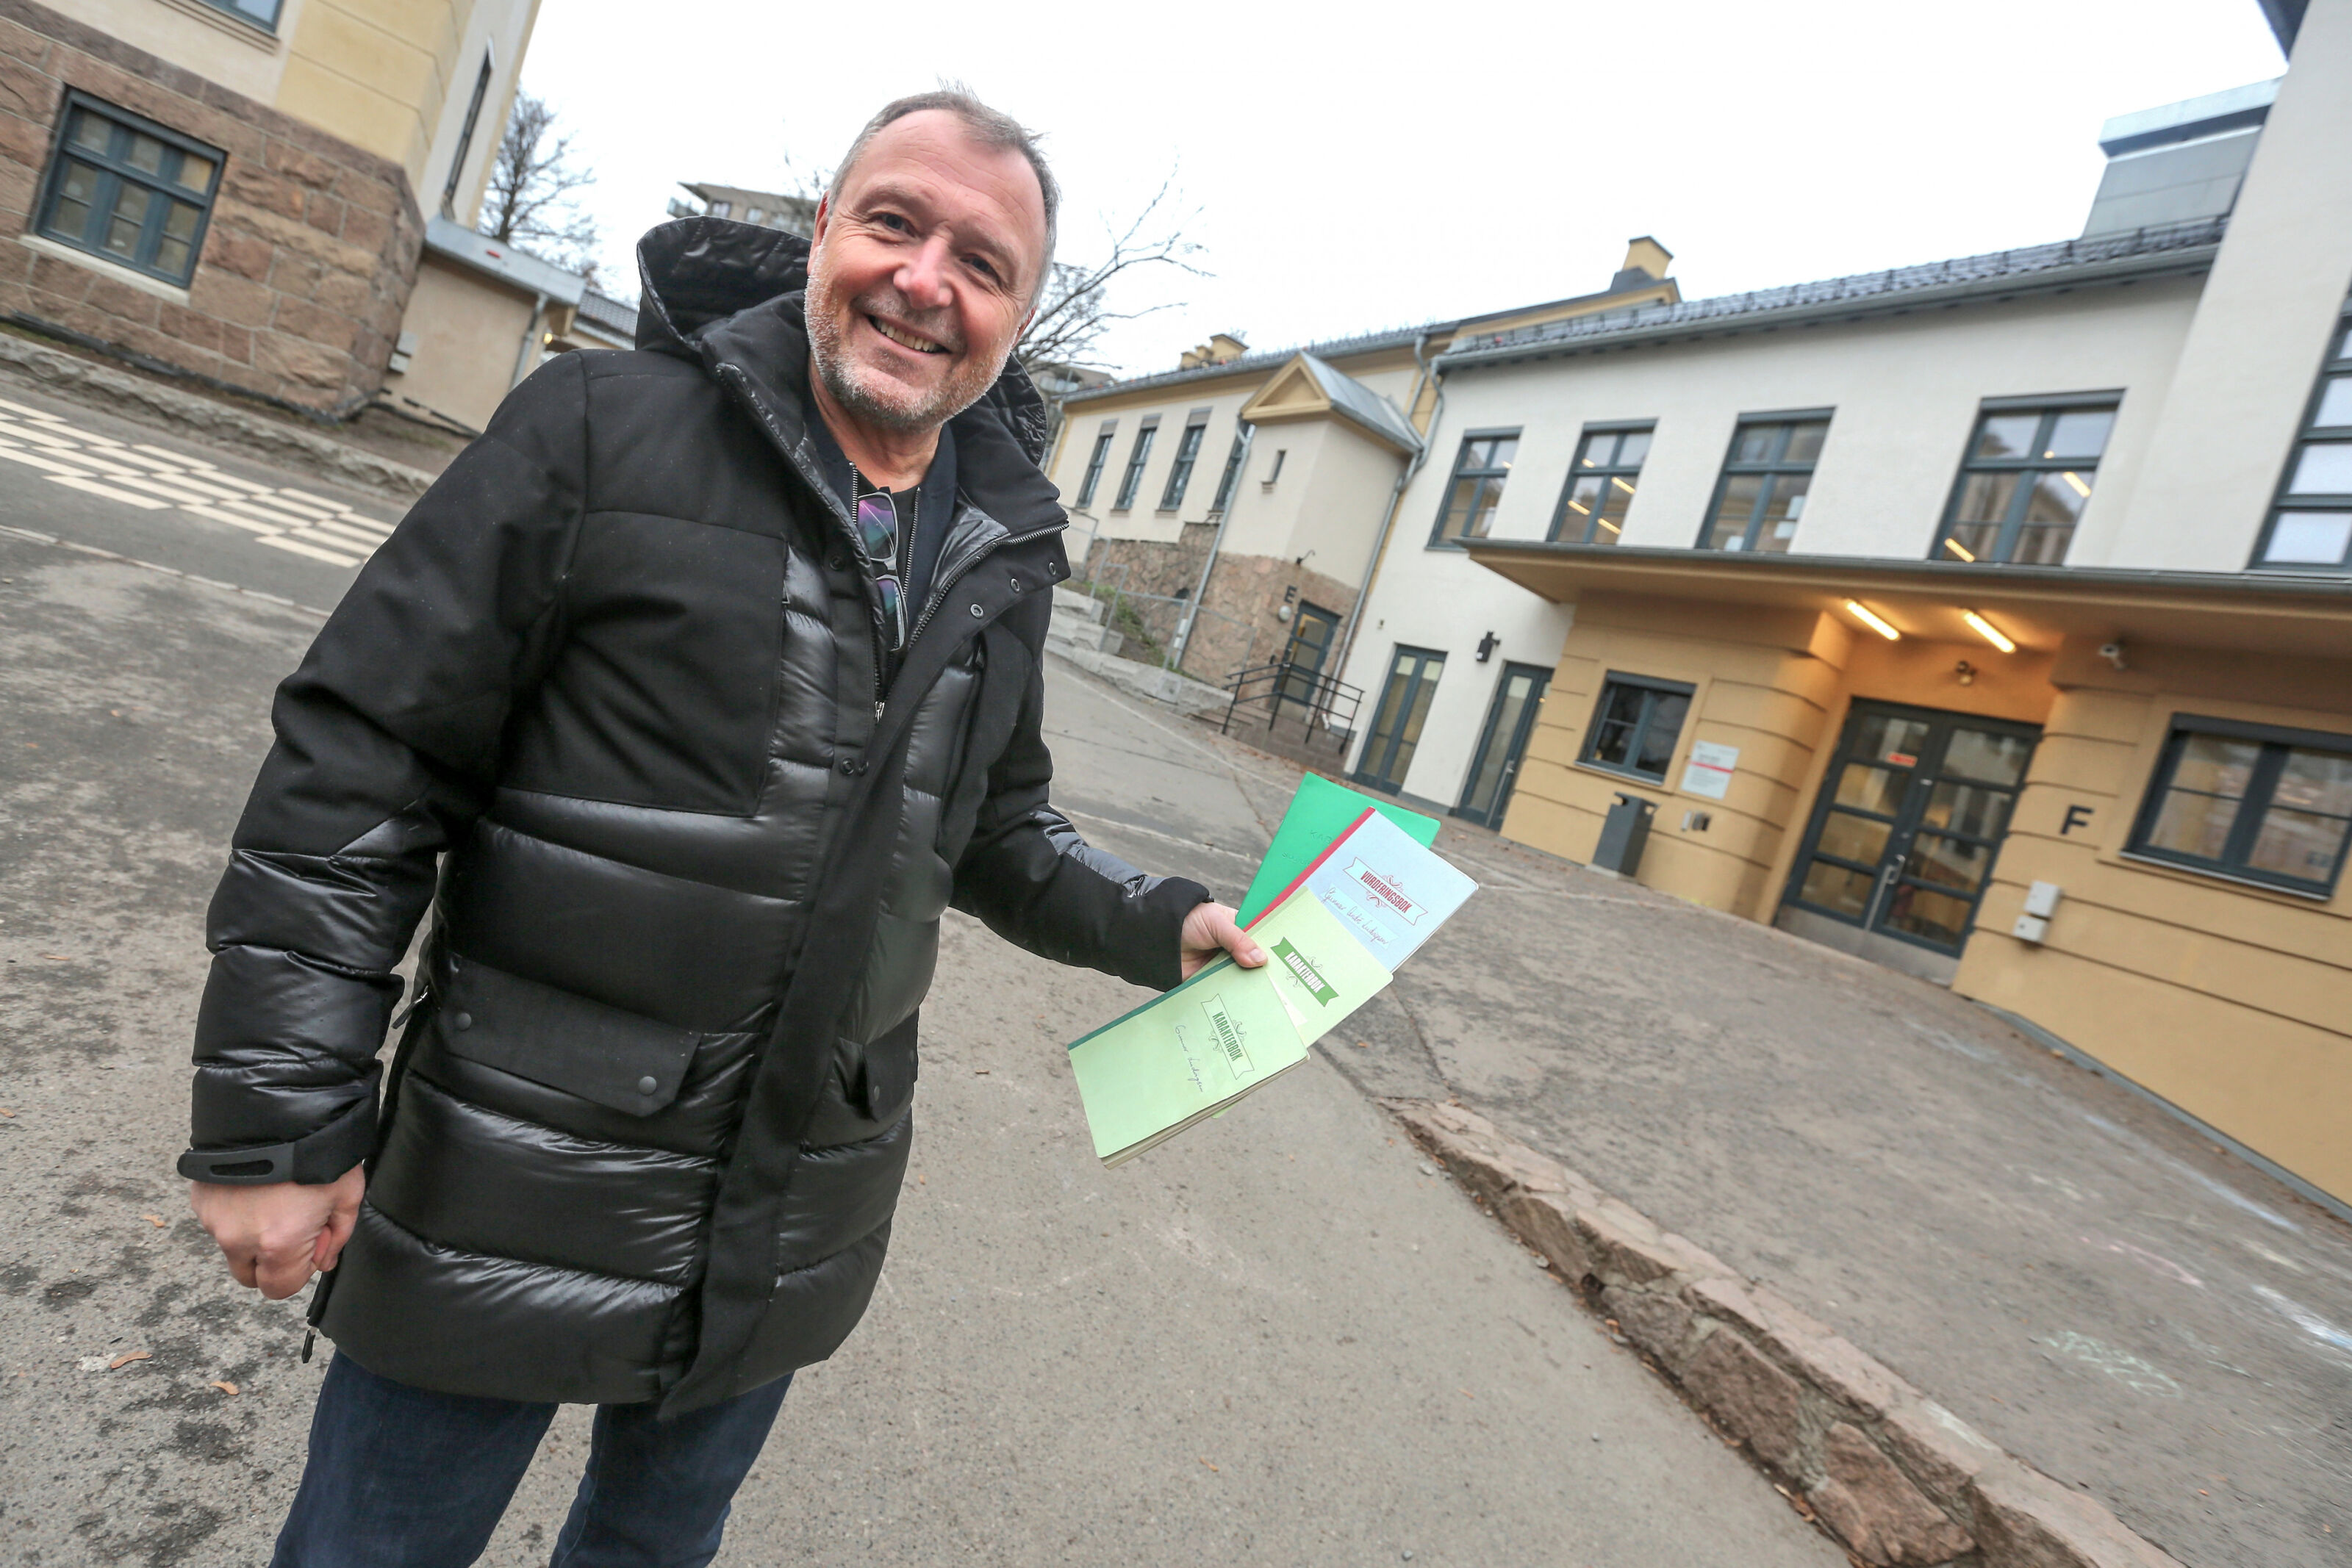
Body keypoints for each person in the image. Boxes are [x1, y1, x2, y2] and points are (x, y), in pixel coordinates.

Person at [179, 88, 1265, 1567]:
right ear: (820, 232)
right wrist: (279, 1117)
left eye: (982, 262)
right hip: (513, 1179)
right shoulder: (599, 431)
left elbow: (996, 825)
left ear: (1017, 315)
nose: (925, 280)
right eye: (895, 221)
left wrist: (1158, 917)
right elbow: (363, 759)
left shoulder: (998, 549)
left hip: (796, 1207)